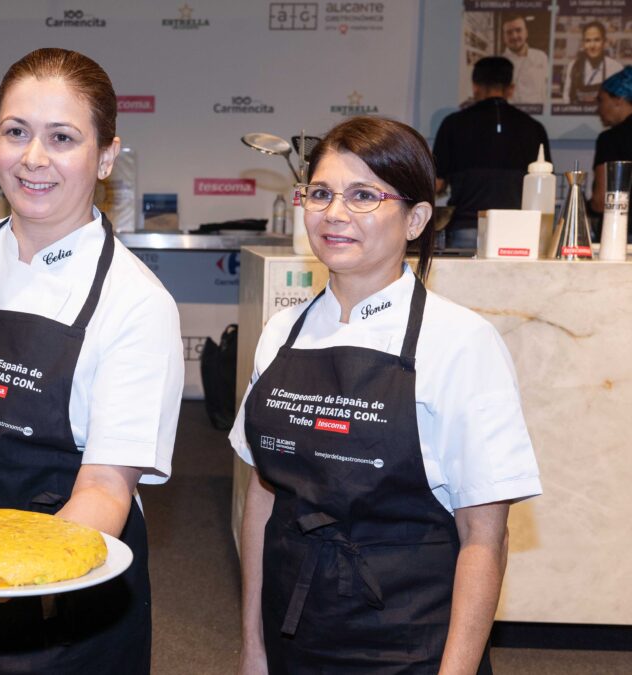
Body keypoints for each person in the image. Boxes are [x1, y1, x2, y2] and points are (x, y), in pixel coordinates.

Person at [0, 47, 184, 674]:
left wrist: (8, 580)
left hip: (63, 600)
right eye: (16, 132)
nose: (33, 158)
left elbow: (106, 487)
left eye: (62, 138)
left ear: (105, 156)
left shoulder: (136, 302)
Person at [232, 116, 541, 673]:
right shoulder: (281, 333)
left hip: (408, 644)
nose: (335, 213)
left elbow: (483, 537)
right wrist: (253, 646)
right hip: (292, 628)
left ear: (417, 218)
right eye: (321, 193)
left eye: (364, 195)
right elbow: (262, 496)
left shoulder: (461, 343)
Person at [434, 56, 551, 248]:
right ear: (510, 88)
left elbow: (436, 184)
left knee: (464, 279)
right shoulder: (533, 128)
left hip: (467, 226)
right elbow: (543, 185)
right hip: (518, 229)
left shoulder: (453, 124)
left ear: (475, 86)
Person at [590, 66, 632, 214]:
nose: (598, 109)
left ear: (618, 100)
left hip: (621, 231)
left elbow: (602, 201)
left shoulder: (611, 139)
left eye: (601, 100)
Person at [562, 21, 622, 105]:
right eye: (588, 41)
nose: (592, 45)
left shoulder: (616, 68)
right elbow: (567, 99)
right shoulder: (574, 66)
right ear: (583, 43)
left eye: (597, 40)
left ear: (604, 42)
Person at [501, 14, 548, 106]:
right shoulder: (497, 63)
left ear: (526, 33)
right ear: (504, 38)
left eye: (518, 30)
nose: (514, 36)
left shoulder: (541, 57)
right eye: (509, 32)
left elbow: (545, 91)